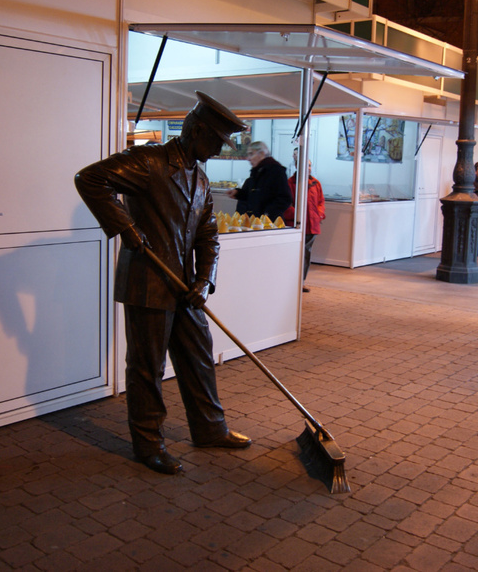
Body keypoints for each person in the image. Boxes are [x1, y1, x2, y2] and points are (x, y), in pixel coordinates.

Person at [74, 91, 252, 475]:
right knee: (147, 366)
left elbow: (208, 237)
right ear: (197, 129)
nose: (220, 151)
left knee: (198, 356)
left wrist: (204, 281)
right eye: (218, 142)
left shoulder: (201, 180)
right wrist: (126, 228)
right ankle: (148, 443)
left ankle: (209, 429)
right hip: (148, 283)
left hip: (184, 287)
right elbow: (89, 179)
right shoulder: (148, 162)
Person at [283, 154, 326, 292]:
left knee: (306, 255)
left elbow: (321, 202)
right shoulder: (289, 183)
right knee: (292, 255)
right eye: (304, 165)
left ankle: (301, 282)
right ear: (296, 166)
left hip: (311, 226)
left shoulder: (316, 183)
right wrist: (295, 214)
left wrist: (318, 215)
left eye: (309, 165)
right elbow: (285, 204)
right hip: (296, 225)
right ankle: (289, 282)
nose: (307, 168)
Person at [227, 141, 292, 221]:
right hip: (255, 222)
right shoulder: (257, 173)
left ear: (261, 154)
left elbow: (285, 198)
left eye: (251, 154)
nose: (248, 159)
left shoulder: (276, 172)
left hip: (269, 224)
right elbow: (252, 196)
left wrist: (267, 214)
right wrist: (237, 193)